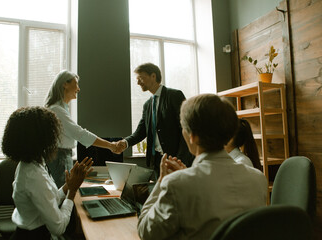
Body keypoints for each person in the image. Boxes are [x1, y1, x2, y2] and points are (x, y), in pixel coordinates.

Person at [137, 94, 267, 240]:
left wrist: (162, 181)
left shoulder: (176, 184)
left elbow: (146, 232)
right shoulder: (259, 179)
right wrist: (184, 176)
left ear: (192, 136)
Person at [2, 106, 93, 239]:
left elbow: (50, 199)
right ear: (39, 138)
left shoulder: (30, 165)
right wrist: (72, 192)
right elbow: (59, 227)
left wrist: (68, 185)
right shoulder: (33, 175)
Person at [116, 63, 194, 176]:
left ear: (153, 76)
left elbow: (186, 128)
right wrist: (125, 142)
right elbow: (141, 132)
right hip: (158, 161)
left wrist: (180, 159)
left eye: (141, 78)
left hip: (176, 160)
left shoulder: (174, 95)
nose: (138, 83)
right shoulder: (147, 105)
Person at [45, 70, 119, 188]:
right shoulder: (57, 110)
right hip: (59, 159)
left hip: (63, 157)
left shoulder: (61, 109)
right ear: (65, 84)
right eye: (76, 84)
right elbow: (80, 134)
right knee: (64, 194)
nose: (78, 89)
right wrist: (110, 146)